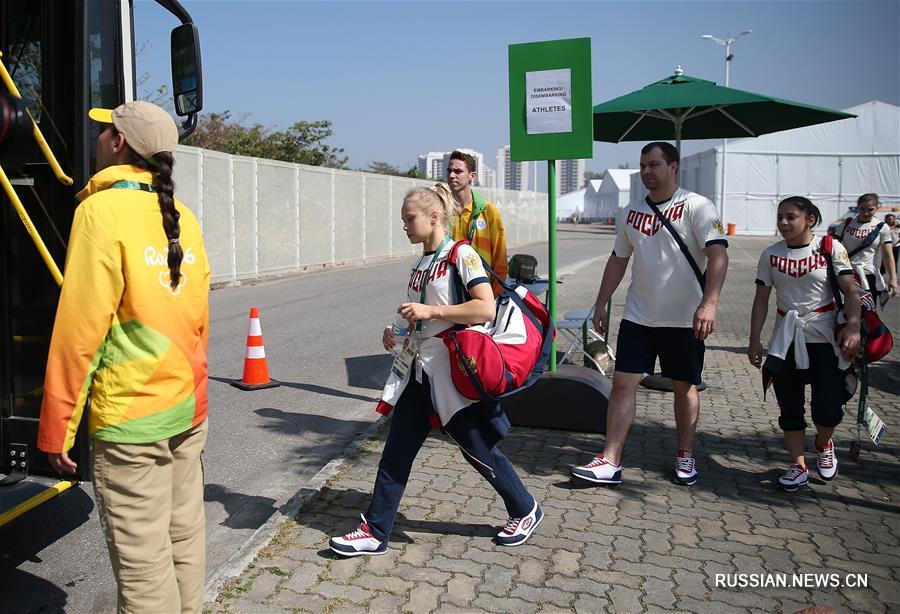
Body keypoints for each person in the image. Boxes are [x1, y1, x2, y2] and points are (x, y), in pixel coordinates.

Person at [37, 101, 211, 613]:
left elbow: (80, 329)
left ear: (117, 144)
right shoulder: (185, 217)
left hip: (133, 421)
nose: (97, 138)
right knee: (185, 539)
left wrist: (57, 427)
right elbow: (199, 321)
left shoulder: (98, 212)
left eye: (104, 130)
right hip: (188, 410)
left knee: (143, 564)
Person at [329, 183, 541, 556]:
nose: (405, 226)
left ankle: (525, 508)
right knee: (396, 450)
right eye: (402, 220)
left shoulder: (462, 255)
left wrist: (432, 312)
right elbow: (421, 316)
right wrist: (398, 331)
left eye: (409, 218)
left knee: (478, 449)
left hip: (454, 378)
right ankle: (376, 530)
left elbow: (485, 308)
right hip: (419, 372)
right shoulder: (420, 263)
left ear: (434, 216)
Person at [571, 142, 729, 487]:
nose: (646, 171)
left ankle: (685, 454)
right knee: (623, 384)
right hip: (638, 317)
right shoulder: (630, 212)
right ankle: (610, 460)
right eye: (643, 165)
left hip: (684, 318)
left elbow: (718, 256)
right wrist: (600, 302)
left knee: (683, 387)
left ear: (673, 167)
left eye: (654, 164)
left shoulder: (698, 206)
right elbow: (618, 260)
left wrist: (710, 303)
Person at [749, 196, 860, 491]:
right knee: (790, 407)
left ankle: (824, 443)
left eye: (791, 217)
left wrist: (853, 326)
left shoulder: (830, 248)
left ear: (810, 219)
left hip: (824, 340)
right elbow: (761, 299)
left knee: (827, 407)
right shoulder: (770, 255)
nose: (783, 223)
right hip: (785, 339)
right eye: (780, 217)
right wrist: (754, 339)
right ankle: (797, 464)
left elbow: (851, 291)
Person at [446, 150, 508, 295]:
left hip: (481, 294)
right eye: (449, 170)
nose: (451, 175)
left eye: (458, 171)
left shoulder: (488, 211)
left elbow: (500, 263)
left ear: (472, 176)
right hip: (448, 294)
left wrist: (493, 299)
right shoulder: (441, 211)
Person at [830, 193, 898, 302]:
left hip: (869, 275)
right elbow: (833, 246)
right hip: (845, 273)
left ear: (877, 208)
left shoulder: (881, 227)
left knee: (867, 314)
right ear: (857, 207)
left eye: (870, 209)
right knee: (845, 312)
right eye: (862, 209)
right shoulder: (847, 223)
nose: (866, 213)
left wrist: (893, 279)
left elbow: (888, 255)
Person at [882, 213, 899, 278]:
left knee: (895, 259)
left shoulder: (898, 226)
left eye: (891, 219)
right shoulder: (884, 226)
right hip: (886, 245)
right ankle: (882, 271)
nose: (890, 221)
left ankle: (894, 272)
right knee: (884, 259)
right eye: (888, 219)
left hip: (896, 245)